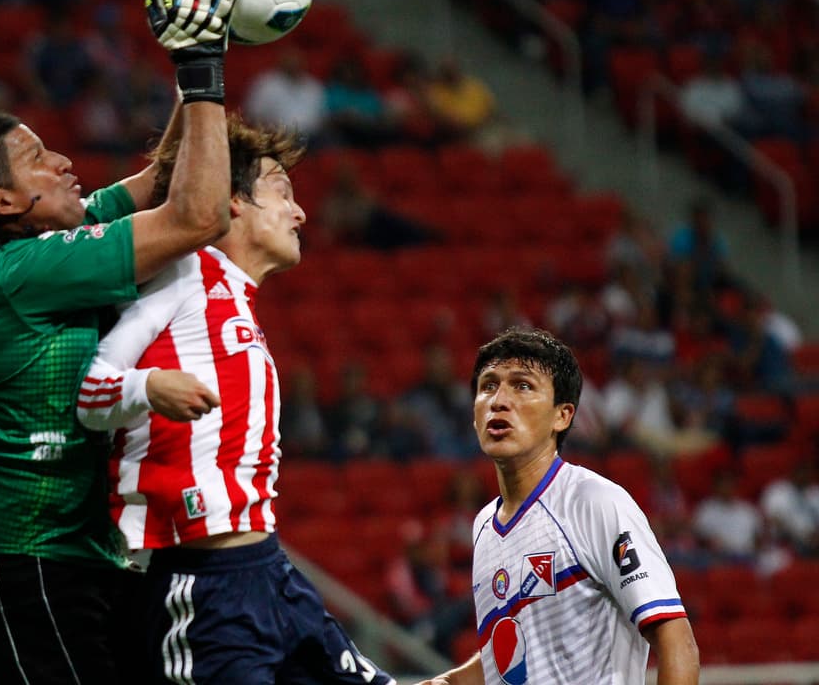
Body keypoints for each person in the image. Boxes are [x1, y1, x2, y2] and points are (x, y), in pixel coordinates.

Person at [0, 0, 246, 685]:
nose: (67, 162)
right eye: (38, 158)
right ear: (2, 203)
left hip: (64, 565)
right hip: (30, 576)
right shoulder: (28, 271)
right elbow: (199, 213)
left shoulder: (36, 254)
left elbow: (164, 180)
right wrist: (204, 71)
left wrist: (191, 61)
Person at [75, 118, 392, 684]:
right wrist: (148, 388)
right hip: (201, 583)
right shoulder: (181, 274)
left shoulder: (236, 301)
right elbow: (86, 390)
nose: (299, 213)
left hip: (269, 571)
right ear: (233, 203)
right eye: (283, 192)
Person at [415, 328, 699, 685]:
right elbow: (513, 658)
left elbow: (677, 642)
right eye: (488, 386)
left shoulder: (595, 503)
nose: (499, 400)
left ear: (562, 416)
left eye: (522, 386)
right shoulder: (485, 526)